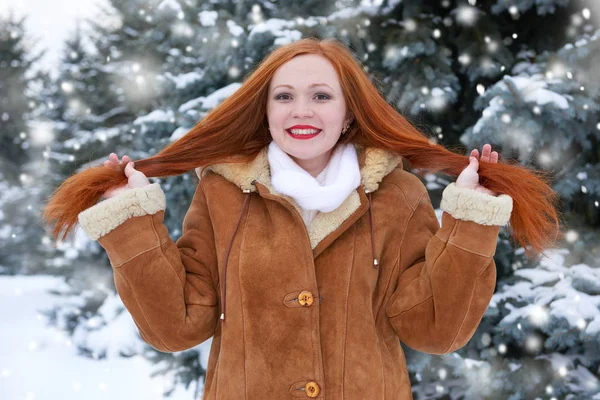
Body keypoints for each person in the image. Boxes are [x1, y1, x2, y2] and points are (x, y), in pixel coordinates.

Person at [43, 38, 562, 399]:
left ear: (349, 111)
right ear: (266, 111)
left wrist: (469, 220)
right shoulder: (222, 194)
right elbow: (176, 325)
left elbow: (435, 329)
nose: (301, 111)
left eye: (321, 96)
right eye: (284, 97)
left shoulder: (399, 195)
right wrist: (130, 221)